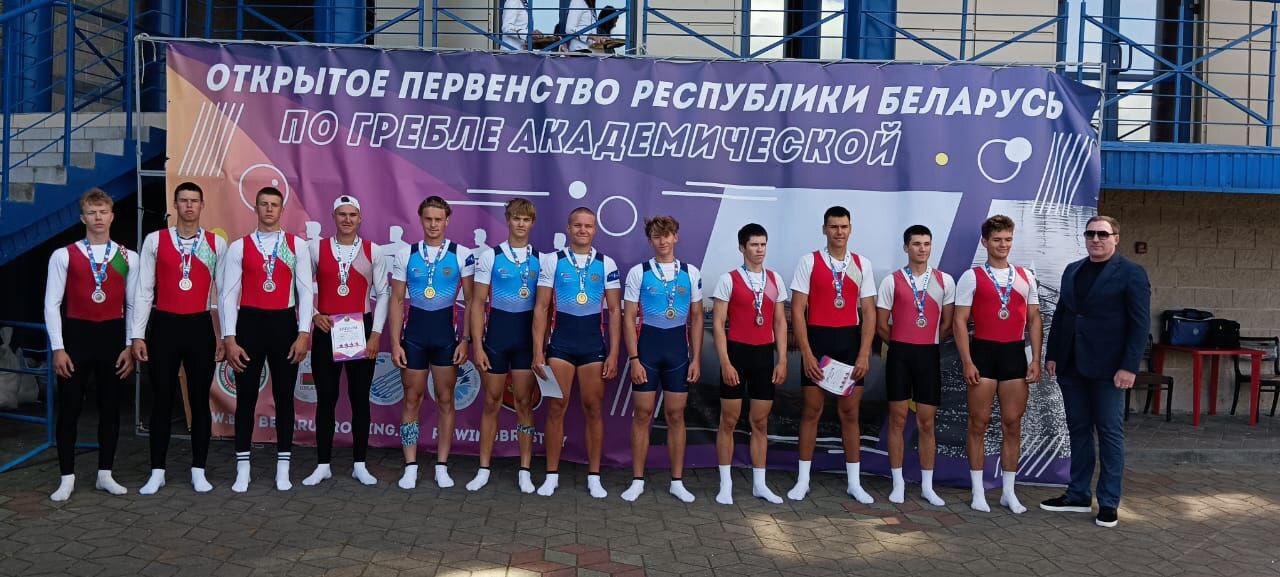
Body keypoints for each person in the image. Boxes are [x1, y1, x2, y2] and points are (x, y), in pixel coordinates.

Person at [1042, 216, 1150, 528]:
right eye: (1090, 233)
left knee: (1110, 433)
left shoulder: (1131, 273)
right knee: (1078, 430)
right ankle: (1077, 495)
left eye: (1103, 234)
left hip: (1110, 370)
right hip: (1071, 365)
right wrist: (1053, 355)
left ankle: (1108, 502)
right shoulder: (1072, 270)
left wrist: (1129, 366)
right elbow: (1062, 314)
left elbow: (1140, 324)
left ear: (1116, 238)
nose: (1096, 239)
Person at [132, 182, 227, 495]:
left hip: (199, 327)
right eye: (183, 200)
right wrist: (137, 335)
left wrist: (224, 335)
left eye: (194, 201)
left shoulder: (215, 244)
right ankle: (156, 472)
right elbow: (144, 290)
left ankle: (199, 470)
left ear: (202, 206)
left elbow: (224, 295)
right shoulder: (156, 240)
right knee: (161, 399)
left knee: (199, 400)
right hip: (164, 326)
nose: (189, 206)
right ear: (174, 204)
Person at [44, 188, 138, 502]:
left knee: (110, 409)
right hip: (76, 339)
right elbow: (52, 304)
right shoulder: (64, 255)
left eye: (103, 212)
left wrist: (129, 345)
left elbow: (133, 304)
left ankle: (105, 474)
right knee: (69, 408)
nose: (98, 218)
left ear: (112, 216)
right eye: (92, 212)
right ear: (82, 217)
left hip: (112, 339)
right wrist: (58, 348)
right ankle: (66, 478)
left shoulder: (127, 257)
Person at [218, 186, 314, 493]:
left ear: (282, 210)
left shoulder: (295, 245)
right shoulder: (239, 247)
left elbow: (306, 292)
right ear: (256, 208)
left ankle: (283, 469)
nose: (269, 209)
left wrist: (303, 333)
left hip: (284, 325)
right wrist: (230, 338)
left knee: (285, 398)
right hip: (249, 325)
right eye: (264, 204)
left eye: (274, 204)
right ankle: (242, 469)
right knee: (246, 398)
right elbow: (228, 295)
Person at [788, 206, 877, 503]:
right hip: (818, 341)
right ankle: (803, 481)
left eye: (844, 226)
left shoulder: (862, 264)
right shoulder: (809, 261)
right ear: (824, 229)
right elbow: (798, 311)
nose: (839, 232)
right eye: (834, 226)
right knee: (811, 411)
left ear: (851, 229)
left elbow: (869, 312)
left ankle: (854, 483)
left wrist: (864, 354)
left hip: (849, 343)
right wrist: (807, 353)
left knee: (850, 413)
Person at [953, 214, 1042, 513]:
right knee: (978, 423)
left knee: (1012, 424)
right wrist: (967, 361)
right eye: (997, 240)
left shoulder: (1025, 276)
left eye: (1007, 239)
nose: (1003, 245)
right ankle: (978, 491)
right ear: (985, 242)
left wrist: (1036, 359)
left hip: (1014, 356)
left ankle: (1008, 492)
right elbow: (959, 321)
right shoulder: (972, 277)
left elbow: (1034, 319)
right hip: (983, 355)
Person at [531, 207, 621, 498]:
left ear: (595, 230)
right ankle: (551, 475)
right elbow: (541, 307)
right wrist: (537, 351)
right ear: (568, 228)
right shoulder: (552, 261)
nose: (583, 230)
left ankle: (594, 476)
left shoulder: (606, 263)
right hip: (560, 345)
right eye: (578, 225)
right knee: (556, 408)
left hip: (593, 346)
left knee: (593, 409)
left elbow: (615, 311)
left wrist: (613, 353)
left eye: (588, 226)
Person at [302, 195, 390, 487]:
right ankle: (323, 465)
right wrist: (314, 315)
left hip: (360, 329)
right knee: (326, 399)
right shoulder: (316, 248)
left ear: (360, 218)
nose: (347, 219)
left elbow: (384, 293)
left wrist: (376, 334)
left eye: (352, 214)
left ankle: (359, 465)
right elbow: (301, 287)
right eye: (342, 214)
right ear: (333, 217)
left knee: (359, 399)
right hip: (327, 328)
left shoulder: (373, 250)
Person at [389, 196, 475, 490]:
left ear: (447, 221)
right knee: (411, 400)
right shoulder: (406, 254)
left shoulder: (462, 254)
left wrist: (466, 340)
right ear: (421, 220)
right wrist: (395, 343)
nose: (433, 224)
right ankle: (410, 465)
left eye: (439, 219)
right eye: (428, 219)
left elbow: (472, 301)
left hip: (446, 339)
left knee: (445, 399)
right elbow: (397, 300)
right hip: (413, 338)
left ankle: (442, 465)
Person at [620, 216, 704, 503]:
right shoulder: (639, 272)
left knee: (676, 416)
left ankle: (677, 482)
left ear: (675, 237)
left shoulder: (690, 272)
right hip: (647, 353)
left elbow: (696, 317)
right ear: (650, 240)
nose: (663, 241)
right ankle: (637, 480)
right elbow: (628, 318)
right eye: (657, 236)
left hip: (678, 354)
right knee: (642, 415)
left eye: (667, 235)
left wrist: (696, 359)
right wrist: (634, 358)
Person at [875, 225, 954, 506]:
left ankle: (927, 486)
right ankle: (897, 483)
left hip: (928, 356)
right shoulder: (891, 281)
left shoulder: (944, 281)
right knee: (897, 420)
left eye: (926, 244)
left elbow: (947, 325)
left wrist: (925, 342)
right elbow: (881, 325)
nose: (922, 249)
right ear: (906, 247)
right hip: (899, 356)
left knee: (926, 422)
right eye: (917, 244)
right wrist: (900, 344)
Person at [711, 223, 787, 505]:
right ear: (742, 247)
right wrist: (725, 362)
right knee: (728, 421)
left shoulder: (775, 279)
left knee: (760, 422)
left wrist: (782, 359)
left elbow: (780, 323)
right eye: (754, 245)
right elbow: (718, 324)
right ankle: (726, 485)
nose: (759, 250)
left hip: (764, 356)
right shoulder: (728, 279)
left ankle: (760, 484)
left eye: (763, 244)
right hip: (736, 355)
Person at [468, 199, 541, 493]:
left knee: (524, 403)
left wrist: (541, 348)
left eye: (526, 219)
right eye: (516, 218)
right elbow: (477, 303)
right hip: (496, 339)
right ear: (508, 220)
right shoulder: (491, 256)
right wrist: (477, 345)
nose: (521, 224)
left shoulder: (542, 260)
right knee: (491, 402)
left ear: (532, 223)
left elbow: (546, 307)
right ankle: (483, 468)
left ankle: (525, 470)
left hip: (526, 342)